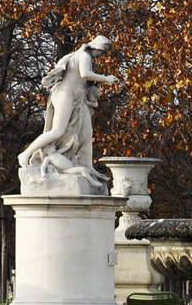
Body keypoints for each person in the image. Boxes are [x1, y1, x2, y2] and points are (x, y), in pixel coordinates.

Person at [17, 35, 117, 189]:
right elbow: (85, 74)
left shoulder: (79, 54)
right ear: (96, 48)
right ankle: (25, 154)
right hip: (66, 95)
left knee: (82, 132)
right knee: (57, 131)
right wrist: (106, 79)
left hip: (75, 97)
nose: (101, 56)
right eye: (101, 53)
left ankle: (84, 165)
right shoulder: (84, 55)